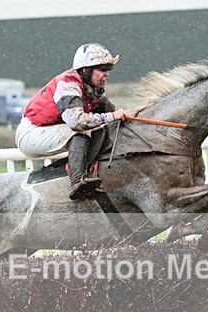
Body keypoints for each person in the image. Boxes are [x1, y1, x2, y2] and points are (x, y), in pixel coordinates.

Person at [15, 43, 126, 200]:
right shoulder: (68, 84)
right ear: (85, 70)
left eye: (108, 69)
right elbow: (77, 122)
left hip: (48, 130)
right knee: (83, 130)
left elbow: (115, 113)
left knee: (99, 128)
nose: (106, 74)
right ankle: (76, 182)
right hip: (31, 133)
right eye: (101, 69)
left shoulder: (93, 89)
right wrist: (111, 117)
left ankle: (88, 170)